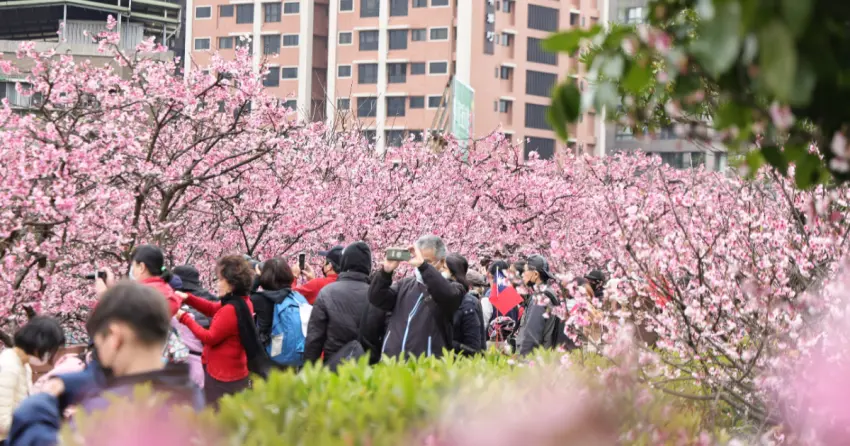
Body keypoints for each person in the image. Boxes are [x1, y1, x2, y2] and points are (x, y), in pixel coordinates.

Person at [9, 282, 203, 445]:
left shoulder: (106, 412)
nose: (99, 353)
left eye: (99, 342)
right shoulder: (190, 394)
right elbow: (102, 377)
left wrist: (40, 403)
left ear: (114, 337)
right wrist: (68, 383)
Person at [176, 255, 264, 408]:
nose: (217, 284)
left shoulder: (231, 309)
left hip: (223, 376)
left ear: (231, 284)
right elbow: (212, 308)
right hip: (234, 370)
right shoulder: (241, 301)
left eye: (220, 279)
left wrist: (184, 317)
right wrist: (188, 298)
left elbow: (209, 337)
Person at [369, 235, 466, 359]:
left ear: (441, 262)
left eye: (427, 262)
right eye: (418, 260)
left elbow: (447, 296)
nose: (420, 266)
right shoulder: (404, 285)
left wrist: (424, 267)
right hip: (393, 364)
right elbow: (376, 298)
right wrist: (385, 273)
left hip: (427, 367)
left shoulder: (454, 288)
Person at [304, 242, 385, 366]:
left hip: (334, 368)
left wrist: (309, 371)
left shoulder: (327, 293)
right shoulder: (379, 296)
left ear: (344, 263)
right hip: (367, 371)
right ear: (368, 266)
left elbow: (314, 340)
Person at [0, 317, 65, 444]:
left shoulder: (23, 365)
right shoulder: (9, 367)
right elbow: (1, 420)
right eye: (49, 350)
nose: (49, 355)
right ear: (39, 344)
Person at [516, 255, 570, 355]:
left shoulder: (540, 298)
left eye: (525, 271)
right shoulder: (549, 293)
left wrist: (522, 360)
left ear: (535, 274)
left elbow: (532, 335)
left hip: (533, 360)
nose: (522, 274)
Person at [250, 258, 298, 348]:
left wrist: (258, 277)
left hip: (267, 350)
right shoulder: (294, 296)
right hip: (290, 347)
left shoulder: (260, 299)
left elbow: (243, 300)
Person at [448, 254, 486, 356]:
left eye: (443, 268)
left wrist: (444, 341)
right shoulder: (446, 299)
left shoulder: (467, 303)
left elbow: (473, 348)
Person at [129, 245, 181, 317]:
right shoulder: (168, 290)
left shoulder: (139, 296)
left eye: (133, 266)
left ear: (141, 267)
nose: (132, 270)